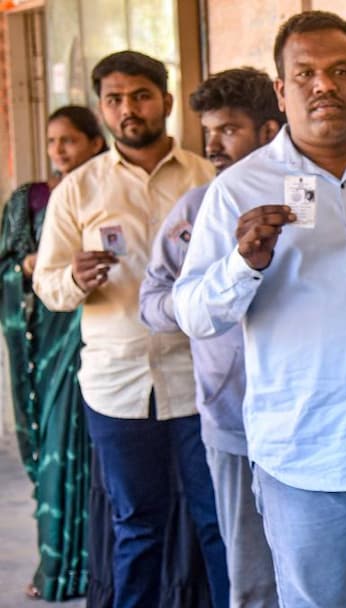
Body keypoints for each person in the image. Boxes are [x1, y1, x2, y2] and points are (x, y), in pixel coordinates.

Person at [173, 11, 346, 606]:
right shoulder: (239, 189)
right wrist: (243, 263)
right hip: (302, 454)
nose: (325, 85)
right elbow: (193, 313)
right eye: (307, 74)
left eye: (340, 71)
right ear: (281, 90)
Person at [32, 51, 227, 608]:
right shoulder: (78, 189)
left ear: (165, 100)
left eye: (140, 95)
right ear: (102, 110)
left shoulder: (207, 177)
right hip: (116, 386)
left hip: (199, 382)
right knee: (136, 525)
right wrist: (74, 276)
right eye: (114, 100)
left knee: (215, 519)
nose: (128, 110)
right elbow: (48, 284)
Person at [139, 67, 291, 608]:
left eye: (228, 129)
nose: (212, 144)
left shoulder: (316, 202)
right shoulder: (197, 210)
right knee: (247, 578)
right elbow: (152, 303)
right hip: (232, 425)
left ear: (270, 129)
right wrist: (205, 308)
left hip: (313, 426)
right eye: (209, 130)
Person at [0, 105, 105, 601]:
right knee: (56, 450)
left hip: (101, 336)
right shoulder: (32, 200)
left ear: (95, 143)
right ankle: (58, 566)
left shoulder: (106, 193)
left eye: (69, 140)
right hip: (49, 342)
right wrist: (26, 267)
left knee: (98, 457)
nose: (59, 150)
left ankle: (96, 568)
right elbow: (6, 266)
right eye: (52, 141)